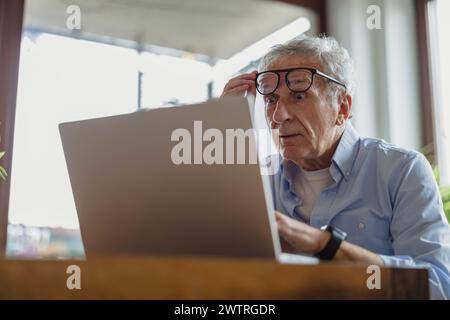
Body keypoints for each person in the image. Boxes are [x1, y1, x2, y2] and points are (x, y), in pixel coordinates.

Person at [221, 35, 450, 299]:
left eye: (298, 96)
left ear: (342, 106)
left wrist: (327, 245)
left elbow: (438, 287)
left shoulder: (400, 171)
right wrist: (222, 122)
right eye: (271, 99)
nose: (278, 116)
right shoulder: (260, 180)